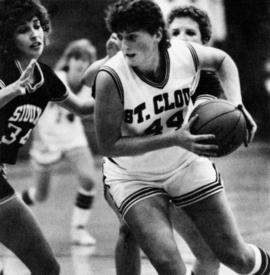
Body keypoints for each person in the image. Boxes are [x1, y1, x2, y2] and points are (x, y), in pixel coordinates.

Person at [93, 0, 269, 275]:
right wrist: (173, 139)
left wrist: (237, 104)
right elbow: (107, 145)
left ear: (157, 34)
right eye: (122, 37)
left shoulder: (183, 53)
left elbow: (223, 60)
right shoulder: (111, 78)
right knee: (169, 265)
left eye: (133, 37)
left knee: (237, 258)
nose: (125, 46)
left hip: (186, 164)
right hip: (134, 177)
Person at [84, 15, 221, 275]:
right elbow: (88, 80)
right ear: (162, 35)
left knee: (210, 254)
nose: (181, 36)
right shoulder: (137, 61)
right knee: (129, 230)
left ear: (204, 43)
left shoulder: (205, 79)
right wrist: (108, 60)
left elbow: (211, 126)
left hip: (181, 171)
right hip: (130, 170)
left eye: (190, 33)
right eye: (176, 30)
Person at [0, 0, 94, 274]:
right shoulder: (4, 71)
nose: (34, 34)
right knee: (48, 268)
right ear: (8, 36)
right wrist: (12, 91)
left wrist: (115, 75)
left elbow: (84, 108)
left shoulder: (47, 78)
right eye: (22, 29)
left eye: (37, 25)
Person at [21, 39, 98, 246]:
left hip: (73, 139)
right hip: (47, 142)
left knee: (89, 179)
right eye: (78, 58)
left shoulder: (91, 87)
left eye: (86, 60)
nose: (81, 64)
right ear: (69, 61)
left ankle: (78, 230)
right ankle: (15, 205)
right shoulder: (55, 79)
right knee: (41, 195)